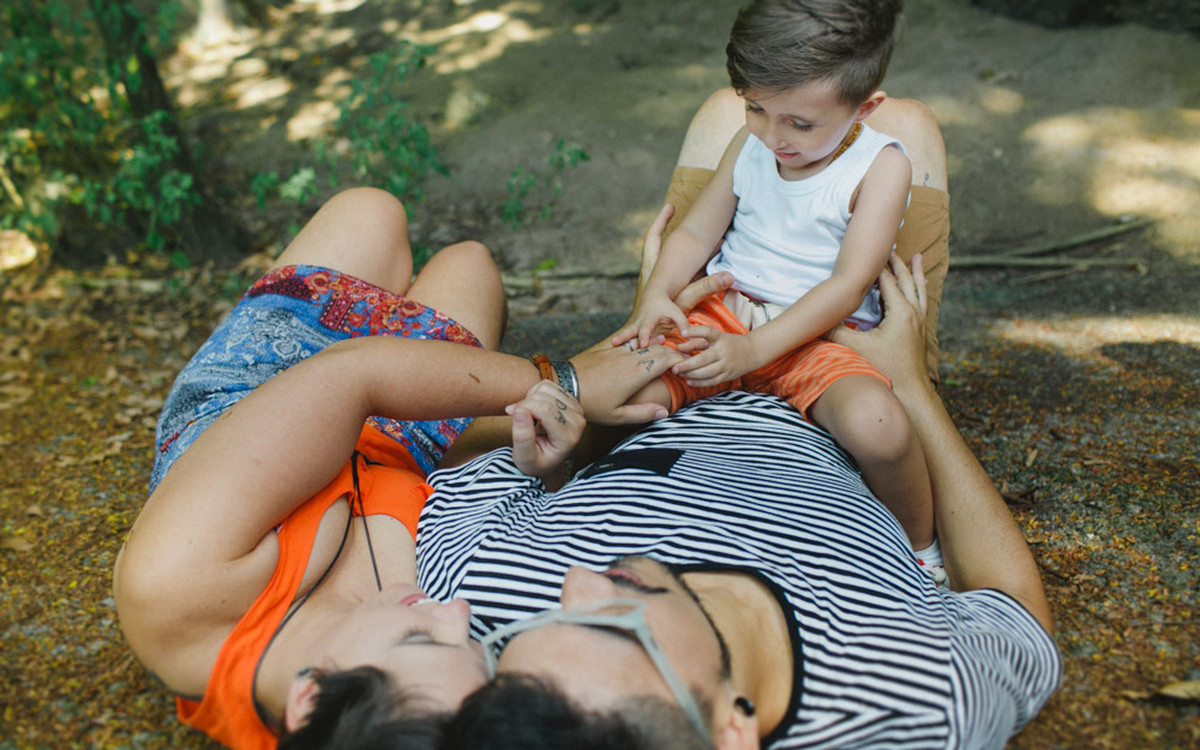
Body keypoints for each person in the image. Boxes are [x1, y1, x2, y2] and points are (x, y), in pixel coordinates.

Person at [112, 187, 690, 750]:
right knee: (471, 262)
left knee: (372, 212)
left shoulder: (172, 586)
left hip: (273, 380)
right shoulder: (405, 714)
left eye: (423, 638)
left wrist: (566, 381)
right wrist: (547, 450)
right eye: (477, 650)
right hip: (400, 440)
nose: (458, 615)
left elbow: (353, 373)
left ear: (308, 699)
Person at [411, 253, 1060, 749]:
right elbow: (1014, 606)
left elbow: (438, 441)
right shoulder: (917, 703)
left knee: (753, 128)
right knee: (869, 130)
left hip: (669, 359)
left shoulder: (475, 594)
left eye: (537, 623)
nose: (578, 582)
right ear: (730, 731)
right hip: (852, 388)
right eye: (616, 624)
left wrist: (613, 355)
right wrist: (914, 385)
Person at [613, 0, 935, 551]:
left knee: (879, 427)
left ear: (865, 107)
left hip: (819, 336)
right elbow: (694, 235)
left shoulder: (881, 167)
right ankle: (582, 492)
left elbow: (848, 285)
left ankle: (919, 547)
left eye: (799, 123)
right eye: (755, 108)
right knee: (620, 384)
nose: (772, 135)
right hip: (724, 314)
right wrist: (656, 297)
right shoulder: (752, 145)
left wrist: (755, 350)